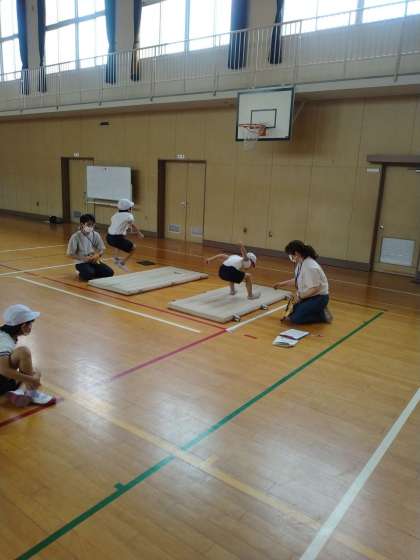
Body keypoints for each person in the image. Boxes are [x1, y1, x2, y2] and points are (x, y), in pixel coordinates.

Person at [0, 305, 56, 407]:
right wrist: (31, 380)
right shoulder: (5, 341)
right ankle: (31, 393)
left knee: (32, 371)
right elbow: (4, 370)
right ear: (23, 326)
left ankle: (19, 392)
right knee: (24, 353)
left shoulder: (3, 333)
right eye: (30, 324)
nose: (31, 327)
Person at [274, 240, 332, 324]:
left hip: (319, 298)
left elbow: (315, 288)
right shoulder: (301, 263)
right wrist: (281, 284)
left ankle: (322, 315)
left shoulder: (310, 266)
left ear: (296, 253)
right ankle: (316, 310)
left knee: (296, 319)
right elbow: (298, 280)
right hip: (309, 296)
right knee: (292, 313)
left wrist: (300, 297)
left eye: (290, 255)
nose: (290, 257)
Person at [67, 213, 114, 281]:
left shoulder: (95, 234)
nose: (91, 226)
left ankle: (91, 272)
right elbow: (70, 254)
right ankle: (83, 272)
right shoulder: (75, 237)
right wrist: (84, 258)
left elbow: (102, 249)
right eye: (89, 224)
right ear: (82, 224)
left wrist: (98, 255)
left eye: (93, 225)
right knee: (89, 274)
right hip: (81, 262)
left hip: (93, 261)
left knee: (109, 272)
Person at [106, 199, 144, 272]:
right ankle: (122, 263)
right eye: (131, 207)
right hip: (116, 238)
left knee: (119, 242)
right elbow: (132, 225)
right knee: (134, 248)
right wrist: (139, 233)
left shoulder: (115, 215)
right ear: (129, 209)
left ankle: (115, 257)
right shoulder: (129, 216)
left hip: (108, 237)